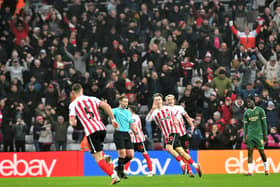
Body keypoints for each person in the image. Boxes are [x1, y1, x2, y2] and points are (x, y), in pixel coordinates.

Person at [69, 83, 120, 185]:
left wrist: (73, 123)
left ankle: (114, 175)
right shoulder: (92, 98)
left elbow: (72, 122)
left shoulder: (73, 104)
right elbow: (106, 105)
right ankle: (106, 158)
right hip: (102, 129)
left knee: (98, 158)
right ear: (82, 90)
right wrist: (113, 119)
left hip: (91, 132)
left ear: (73, 93)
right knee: (94, 152)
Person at [146, 93, 202, 177]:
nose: (157, 101)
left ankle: (182, 163)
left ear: (162, 101)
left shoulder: (168, 108)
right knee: (181, 151)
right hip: (167, 134)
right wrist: (152, 109)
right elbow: (148, 119)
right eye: (156, 100)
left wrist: (177, 120)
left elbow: (177, 115)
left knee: (168, 148)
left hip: (174, 131)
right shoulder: (154, 112)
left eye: (159, 99)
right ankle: (195, 165)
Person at [165, 94, 195, 177]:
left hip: (183, 133)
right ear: (166, 102)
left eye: (171, 99)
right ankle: (189, 171)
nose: (170, 101)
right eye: (168, 99)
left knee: (186, 151)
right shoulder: (165, 110)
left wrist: (192, 126)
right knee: (180, 152)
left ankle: (187, 167)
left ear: (174, 100)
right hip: (174, 133)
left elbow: (187, 117)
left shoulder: (179, 108)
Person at [124, 105, 154, 176]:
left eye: (128, 109)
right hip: (132, 139)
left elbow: (134, 126)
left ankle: (151, 171)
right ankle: (125, 171)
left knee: (145, 154)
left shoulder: (135, 117)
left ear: (131, 110)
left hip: (138, 139)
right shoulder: (128, 117)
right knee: (129, 155)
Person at [243, 96, 269, 176]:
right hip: (250, 135)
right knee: (250, 152)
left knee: (261, 152)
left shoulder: (260, 110)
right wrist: (244, 136)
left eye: (249, 102)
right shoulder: (246, 113)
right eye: (247, 103)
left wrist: (265, 134)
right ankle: (250, 172)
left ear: (253, 101)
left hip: (259, 134)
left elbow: (264, 123)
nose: (248, 104)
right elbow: (245, 126)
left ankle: (266, 169)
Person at [112, 96, 136, 179]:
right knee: (122, 153)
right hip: (119, 133)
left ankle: (118, 167)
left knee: (131, 155)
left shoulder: (128, 112)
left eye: (127, 102)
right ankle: (120, 172)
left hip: (126, 133)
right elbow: (108, 113)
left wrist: (135, 131)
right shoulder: (115, 110)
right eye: (124, 102)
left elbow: (131, 123)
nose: (126, 103)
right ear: (120, 102)